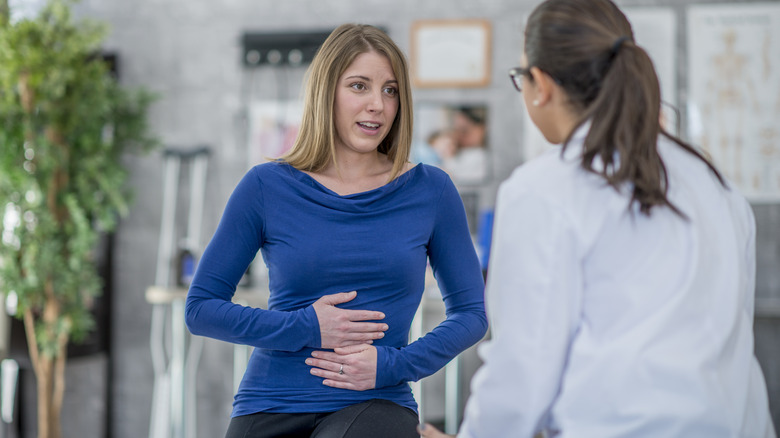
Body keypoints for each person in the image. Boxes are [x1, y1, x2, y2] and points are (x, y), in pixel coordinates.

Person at [419, 0, 776, 437]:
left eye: (520, 77)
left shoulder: (545, 188)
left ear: (541, 86)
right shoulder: (712, 181)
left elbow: (523, 368)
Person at [184, 23, 488, 438]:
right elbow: (201, 308)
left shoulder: (431, 190)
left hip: (375, 403)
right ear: (327, 92)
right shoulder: (265, 186)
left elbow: (471, 315)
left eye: (390, 90)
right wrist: (306, 327)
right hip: (271, 400)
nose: (378, 104)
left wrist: (394, 365)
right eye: (359, 86)